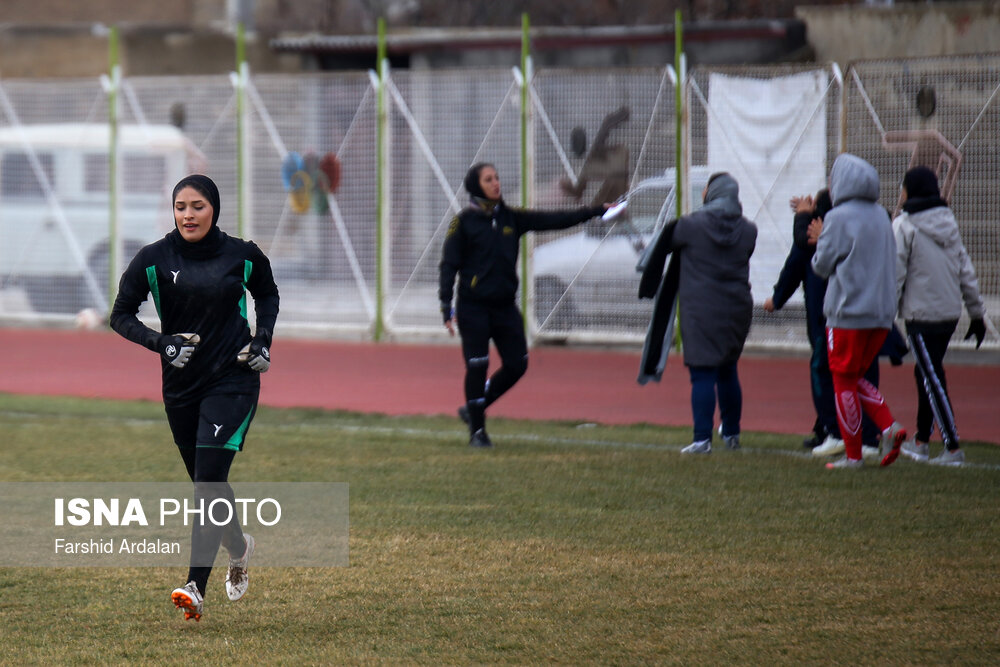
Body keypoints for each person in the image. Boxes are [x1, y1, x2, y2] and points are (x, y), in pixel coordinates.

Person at [110, 174, 279, 621]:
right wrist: (159, 342)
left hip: (233, 381)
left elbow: (267, 292)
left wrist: (262, 339)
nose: (188, 214)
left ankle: (194, 587)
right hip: (180, 387)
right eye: (181, 206)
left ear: (214, 209)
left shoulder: (242, 255)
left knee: (207, 481)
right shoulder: (154, 259)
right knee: (207, 484)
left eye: (198, 206)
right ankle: (240, 548)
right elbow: (120, 314)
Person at [440, 162, 606, 447]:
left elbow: (554, 219)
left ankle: (473, 408)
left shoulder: (511, 218)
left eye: (497, 177)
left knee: (518, 364)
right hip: (473, 308)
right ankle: (477, 432)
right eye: (488, 179)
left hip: (504, 307)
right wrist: (446, 306)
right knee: (477, 366)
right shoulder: (462, 222)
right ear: (475, 186)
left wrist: (596, 211)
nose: (496, 183)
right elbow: (448, 265)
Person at [763, 190, 887, 462]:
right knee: (856, 375)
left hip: (834, 319)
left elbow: (800, 253)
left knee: (830, 372)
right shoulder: (863, 228)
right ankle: (853, 434)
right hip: (863, 315)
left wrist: (804, 219)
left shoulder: (828, 236)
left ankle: (838, 432)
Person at [638, 172, 757, 454]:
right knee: (728, 370)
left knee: (702, 373)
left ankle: (702, 439)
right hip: (738, 309)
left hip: (701, 309)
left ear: (711, 193)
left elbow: (664, 243)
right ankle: (731, 434)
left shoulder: (691, 226)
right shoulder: (749, 230)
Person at [810, 153, 906, 469]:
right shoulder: (881, 214)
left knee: (842, 381)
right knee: (855, 377)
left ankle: (853, 455)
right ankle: (889, 427)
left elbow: (822, 265)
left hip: (847, 312)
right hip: (880, 315)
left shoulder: (838, 217)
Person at [893, 166, 987, 465]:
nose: (901, 193)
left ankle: (952, 446)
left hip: (921, 315)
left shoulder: (904, 225)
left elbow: (896, 273)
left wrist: (886, 314)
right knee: (925, 372)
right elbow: (966, 271)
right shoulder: (949, 222)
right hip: (949, 314)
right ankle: (921, 441)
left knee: (932, 376)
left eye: (903, 188)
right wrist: (975, 313)